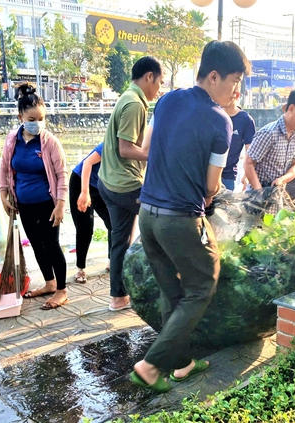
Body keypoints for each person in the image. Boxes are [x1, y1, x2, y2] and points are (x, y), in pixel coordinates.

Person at [130, 40, 250, 392]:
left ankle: (180, 364)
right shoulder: (220, 122)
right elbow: (212, 186)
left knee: (172, 288)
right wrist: (208, 195)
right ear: (214, 76)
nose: (236, 90)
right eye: (233, 81)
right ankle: (151, 365)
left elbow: (152, 150)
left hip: (148, 217)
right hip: (181, 219)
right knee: (203, 283)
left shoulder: (166, 100)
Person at [97, 56, 163, 312]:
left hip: (110, 183)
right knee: (163, 225)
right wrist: (157, 154)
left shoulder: (128, 98)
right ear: (149, 77)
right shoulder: (135, 103)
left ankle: (118, 297)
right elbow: (126, 149)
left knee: (120, 242)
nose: (159, 88)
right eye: (160, 82)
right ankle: (157, 288)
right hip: (124, 185)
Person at [0, 82, 69, 310]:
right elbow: (4, 168)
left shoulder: (50, 142)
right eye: (32, 119)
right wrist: (3, 193)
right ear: (20, 117)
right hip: (24, 205)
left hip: (47, 203)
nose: (37, 123)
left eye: (41, 118)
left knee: (52, 245)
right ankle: (49, 284)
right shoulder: (13, 140)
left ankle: (61, 290)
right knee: (37, 245)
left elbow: (61, 175)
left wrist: (60, 205)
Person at [243, 88, 295, 191]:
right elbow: (248, 163)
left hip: (277, 196)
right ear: (291, 109)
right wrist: (259, 192)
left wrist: (282, 179)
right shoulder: (269, 133)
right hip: (256, 199)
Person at [69, 142, 112, 283]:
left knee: (113, 223)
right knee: (85, 228)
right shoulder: (111, 143)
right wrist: (84, 192)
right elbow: (87, 163)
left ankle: (112, 262)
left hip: (101, 185)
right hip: (81, 182)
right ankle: (80, 269)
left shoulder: (135, 147)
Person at [221, 92, 255, 191]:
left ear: (236, 95)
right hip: (208, 173)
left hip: (228, 175)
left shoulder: (246, 120)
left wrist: (246, 175)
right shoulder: (213, 115)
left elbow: (251, 151)